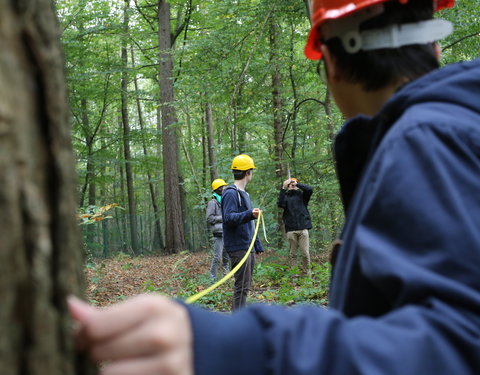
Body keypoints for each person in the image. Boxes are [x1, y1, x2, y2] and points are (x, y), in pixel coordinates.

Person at [69, 0, 480, 374]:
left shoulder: (428, 139)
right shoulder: (445, 134)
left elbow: (458, 340)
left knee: (245, 280)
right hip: (234, 241)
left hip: (248, 242)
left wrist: (244, 348)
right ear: (435, 47)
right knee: (240, 281)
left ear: (332, 64)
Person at [221, 154, 264, 310]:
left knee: (245, 287)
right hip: (238, 247)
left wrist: (257, 245)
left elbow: (250, 224)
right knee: (241, 288)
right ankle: (236, 324)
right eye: (251, 171)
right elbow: (229, 218)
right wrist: (249, 214)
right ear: (248, 173)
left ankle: (238, 320)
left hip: (248, 246)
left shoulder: (244, 194)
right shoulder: (231, 193)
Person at [277, 177, 313, 275]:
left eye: (294, 183)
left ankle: (307, 275)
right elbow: (280, 204)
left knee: (305, 254)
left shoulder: (302, 196)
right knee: (293, 254)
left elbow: (309, 189)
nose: (292, 185)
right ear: (288, 186)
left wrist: (297, 184)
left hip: (303, 228)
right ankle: (294, 276)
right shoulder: (286, 196)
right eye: (290, 184)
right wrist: (283, 188)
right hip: (291, 230)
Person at [206, 178, 229, 282]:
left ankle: (226, 277)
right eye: (222, 187)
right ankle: (212, 278)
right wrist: (223, 218)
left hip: (227, 233)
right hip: (218, 234)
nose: (224, 188)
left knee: (226, 257)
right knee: (217, 257)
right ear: (217, 189)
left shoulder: (225, 201)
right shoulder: (212, 203)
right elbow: (209, 218)